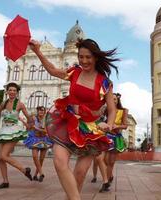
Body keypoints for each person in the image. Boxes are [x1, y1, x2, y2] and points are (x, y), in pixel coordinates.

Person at [29, 38, 118, 200]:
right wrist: (37, 52)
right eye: (81, 56)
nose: (84, 61)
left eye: (88, 57)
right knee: (59, 161)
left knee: (80, 173)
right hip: (67, 121)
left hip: (90, 129)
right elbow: (53, 71)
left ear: (96, 57)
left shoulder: (105, 83)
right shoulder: (74, 72)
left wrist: (109, 124)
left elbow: (112, 110)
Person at [0, 82, 33, 189]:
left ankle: (24, 169)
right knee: (1, 158)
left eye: (14, 90)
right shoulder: (3, 103)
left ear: (17, 93)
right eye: (10, 90)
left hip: (14, 131)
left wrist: (29, 125)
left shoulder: (20, 104)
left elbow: (29, 117)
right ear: (7, 91)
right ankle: (5, 181)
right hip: (3, 131)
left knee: (4, 155)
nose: (12, 92)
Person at [23, 106, 53, 182]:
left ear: (45, 111)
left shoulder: (46, 119)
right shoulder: (33, 118)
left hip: (44, 140)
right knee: (35, 156)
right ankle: (41, 173)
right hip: (35, 139)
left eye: (43, 110)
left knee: (41, 159)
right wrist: (24, 122)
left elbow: (46, 131)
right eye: (39, 110)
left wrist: (36, 128)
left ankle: (36, 175)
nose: (41, 112)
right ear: (37, 111)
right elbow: (29, 127)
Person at [105, 93, 128, 184]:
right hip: (105, 136)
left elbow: (125, 126)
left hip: (116, 137)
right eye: (111, 99)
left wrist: (116, 126)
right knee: (103, 159)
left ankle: (106, 181)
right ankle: (109, 175)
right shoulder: (105, 110)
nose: (113, 101)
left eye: (115, 99)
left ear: (118, 100)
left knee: (111, 161)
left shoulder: (123, 111)